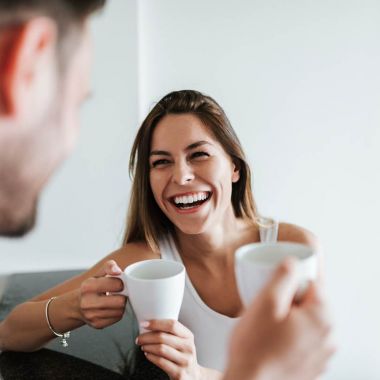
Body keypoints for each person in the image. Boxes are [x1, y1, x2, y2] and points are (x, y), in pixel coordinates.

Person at [0, 87, 335, 379]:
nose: (182, 176)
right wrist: (74, 308)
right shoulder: (146, 260)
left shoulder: (295, 249)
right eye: (161, 162)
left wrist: (199, 375)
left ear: (234, 166)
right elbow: (10, 331)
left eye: (198, 154)